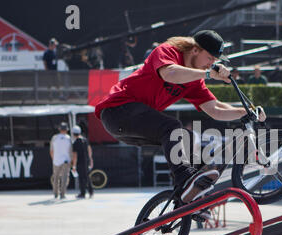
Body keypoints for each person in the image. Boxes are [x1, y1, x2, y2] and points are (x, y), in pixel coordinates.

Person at [95, 30, 266, 204]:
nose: (211, 64)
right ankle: (185, 178)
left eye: (215, 61)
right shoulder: (168, 51)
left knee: (188, 139)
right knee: (172, 127)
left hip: (131, 126)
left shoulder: (194, 81)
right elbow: (170, 74)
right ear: (195, 50)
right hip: (116, 111)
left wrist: (247, 112)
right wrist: (209, 74)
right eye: (210, 58)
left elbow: (215, 109)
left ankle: (185, 199)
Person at [50, 122, 72, 199]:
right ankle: (62, 194)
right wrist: (71, 160)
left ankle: (55, 194)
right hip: (66, 160)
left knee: (56, 178)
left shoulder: (54, 138)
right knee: (64, 178)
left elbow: (51, 151)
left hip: (56, 160)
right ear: (66, 130)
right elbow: (70, 150)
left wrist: (54, 159)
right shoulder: (68, 138)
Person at [71, 125, 94, 199]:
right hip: (86, 161)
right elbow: (89, 149)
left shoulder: (75, 143)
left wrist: (74, 166)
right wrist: (90, 159)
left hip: (80, 162)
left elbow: (75, 155)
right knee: (87, 177)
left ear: (73, 133)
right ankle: (91, 192)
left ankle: (82, 193)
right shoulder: (85, 140)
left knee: (82, 178)